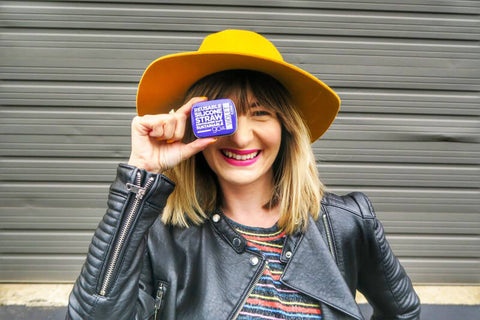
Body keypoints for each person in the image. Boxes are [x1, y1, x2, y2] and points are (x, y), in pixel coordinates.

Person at [66, 30, 420, 320]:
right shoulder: (159, 237)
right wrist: (140, 180)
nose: (241, 136)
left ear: (286, 127)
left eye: (260, 112)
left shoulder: (346, 224)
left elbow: (403, 313)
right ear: (195, 129)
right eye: (224, 116)